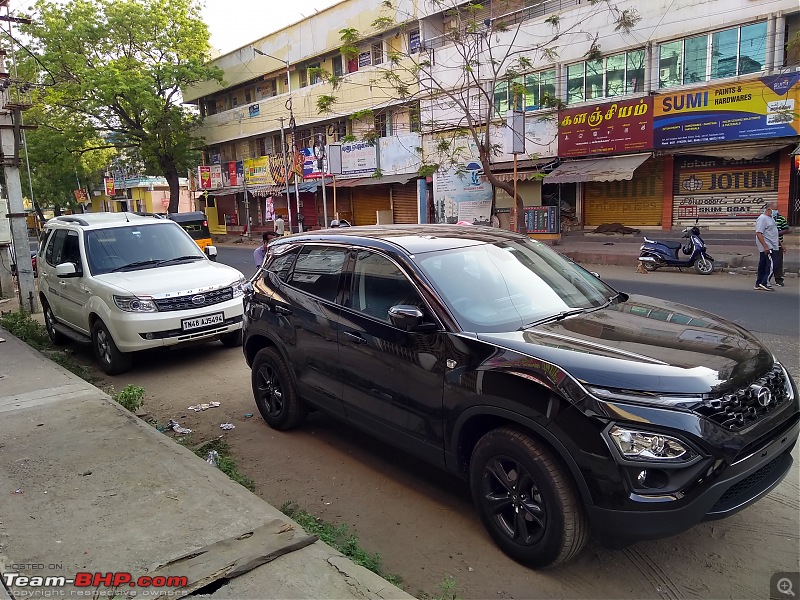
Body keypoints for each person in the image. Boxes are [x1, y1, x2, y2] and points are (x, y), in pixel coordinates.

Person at [754, 202, 779, 291]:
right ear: (769, 209)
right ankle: (764, 282)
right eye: (775, 209)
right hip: (767, 246)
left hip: (772, 245)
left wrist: (780, 244)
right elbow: (758, 233)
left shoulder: (771, 218)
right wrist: (765, 246)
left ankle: (759, 283)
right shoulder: (762, 218)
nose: (776, 211)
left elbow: (773, 232)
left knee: (763, 264)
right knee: (772, 264)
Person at [771, 207, 790, 287]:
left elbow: (787, 229)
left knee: (778, 262)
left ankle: (778, 279)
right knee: (766, 262)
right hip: (768, 244)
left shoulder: (781, 218)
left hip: (778, 244)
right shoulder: (766, 219)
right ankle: (764, 279)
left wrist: (777, 233)